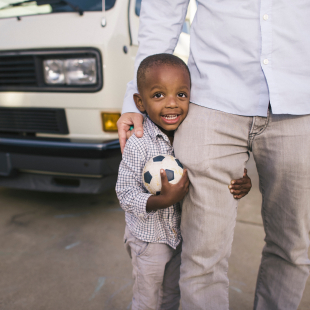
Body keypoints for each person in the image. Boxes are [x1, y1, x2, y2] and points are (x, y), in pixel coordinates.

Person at [117, 1, 310, 309]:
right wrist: (133, 99)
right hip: (214, 99)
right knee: (203, 252)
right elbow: (163, 10)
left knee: (293, 246)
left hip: (301, 100)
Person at [116, 54, 252, 310]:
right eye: (158, 95)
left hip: (180, 238)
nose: (171, 105)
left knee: (171, 295)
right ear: (140, 102)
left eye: (181, 95)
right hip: (149, 241)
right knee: (147, 300)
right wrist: (161, 200)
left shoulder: (191, 135)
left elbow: (212, 169)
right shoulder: (138, 141)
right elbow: (124, 192)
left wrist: (244, 182)